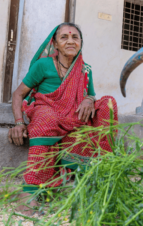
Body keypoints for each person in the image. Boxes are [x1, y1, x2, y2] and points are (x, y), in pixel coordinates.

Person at [8, 22, 118, 215]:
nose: (70, 41)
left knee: (108, 102)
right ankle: (31, 190)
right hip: (47, 110)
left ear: (80, 43)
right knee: (46, 118)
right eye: (64, 37)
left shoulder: (85, 69)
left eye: (75, 37)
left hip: (74, 117)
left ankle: (99, 172)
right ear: (55, 44)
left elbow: (91, 94)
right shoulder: (43, 65)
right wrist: (18, 122)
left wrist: (89, 100)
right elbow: (18, 94)